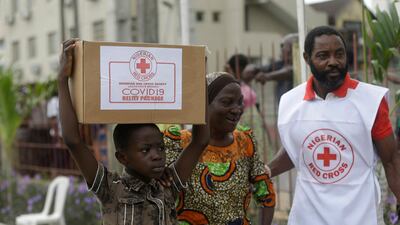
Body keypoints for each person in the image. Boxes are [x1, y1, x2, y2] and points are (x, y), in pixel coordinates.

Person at [58, 39, 210, 225]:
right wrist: (62, 79)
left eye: (160, 148)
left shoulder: (167, 185)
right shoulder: (111, 189)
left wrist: (198, 78)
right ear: (123, 158)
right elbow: (73, 140)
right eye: (145, 150)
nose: (157, 156)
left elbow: (200, 141)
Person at [268, 26, 400, 225]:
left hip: (360, 216)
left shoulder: (370, 100)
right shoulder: (290, 101)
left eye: (339, 54)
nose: (333, 62)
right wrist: (266, 172)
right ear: (307, 58)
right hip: (307, 216)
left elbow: (391, 161)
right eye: (323, 56)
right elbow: (297, 150)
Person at [163, 72, 276, 225]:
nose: (237, 110)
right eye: (226, 102)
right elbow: (165, 191)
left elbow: (266, 194)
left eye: (240, 102)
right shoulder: (177, 142)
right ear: (204, 105)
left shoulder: (245, 141)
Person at [255, 33, 298, 103]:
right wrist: (254, 69)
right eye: (283, 46)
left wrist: (267, 76)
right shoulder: (281, 63)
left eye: (285, 46)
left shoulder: (301, 65)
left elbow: (290, 71)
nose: (283, 49)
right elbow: (263, 68)